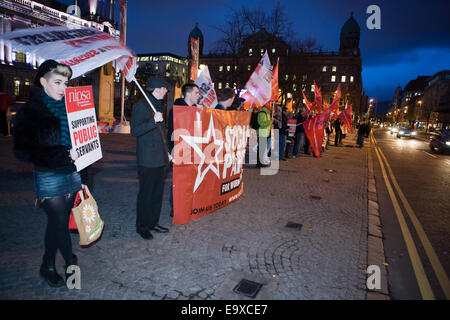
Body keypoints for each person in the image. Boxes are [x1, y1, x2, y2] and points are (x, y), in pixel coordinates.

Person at [12, 60, 80, 287]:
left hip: (71, 173)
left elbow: (82, 135)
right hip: (48, 175)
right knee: (60, 222)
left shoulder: (70, 108)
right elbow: (21, 151)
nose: (63, 88)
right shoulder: (31, 111)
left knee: (56, 224)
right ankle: (71, 266)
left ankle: (47, 264)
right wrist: (57, 151)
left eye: (66, 83)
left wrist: (80, 150)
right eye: (58, 82)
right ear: (43, 81)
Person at [131, 77, 171, 240]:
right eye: (165, 88)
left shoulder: (158, 104)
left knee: (157, 195)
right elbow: (135, 130)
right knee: (146, 195)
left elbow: (161, 134)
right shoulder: (142, 105)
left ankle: (153, 223)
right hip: (147, 160)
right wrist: (152, 121)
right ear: (157, 89)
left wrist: (167, 152)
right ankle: (142, 226)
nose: (166, 91)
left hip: (160, 158)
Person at [167, 83, 201, 217]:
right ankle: (176, 208)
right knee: (179, 179)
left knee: (189, 178)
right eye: (196, 93)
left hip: (191, 150)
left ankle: (186, 204)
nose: (199, 96)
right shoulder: (178, 109)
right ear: (188, 94)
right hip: (179, 149)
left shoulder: (192, 109)